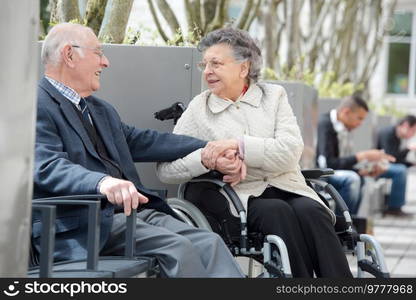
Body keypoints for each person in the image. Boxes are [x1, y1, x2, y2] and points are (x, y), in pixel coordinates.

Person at [32, 23, 245, 278]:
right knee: (179, 249)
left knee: (209, 243)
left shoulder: (99, 110)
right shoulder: (35, 104)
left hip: (130, 215)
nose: (105, 62)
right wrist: (102, 182)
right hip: (81, 225)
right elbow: (46, 165)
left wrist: (209, 148)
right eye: (98, 53)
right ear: (69, 54)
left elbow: (145, 141)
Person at [157, 27, 353, 278]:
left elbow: (290, 151)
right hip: (237, 196)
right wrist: (208, 158)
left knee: (313, 211)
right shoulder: (199, 109)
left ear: (244, 67)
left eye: (216, 63)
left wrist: (237, 145)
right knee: (276, 211)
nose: (207, 71)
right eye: (204, 64)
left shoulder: (274, 97)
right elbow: (166, 170)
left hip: (288, 185)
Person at [316, 95, 410, 217]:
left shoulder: (342, 127)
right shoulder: (326, 124)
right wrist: (363, 156)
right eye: (359, 118)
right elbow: (328, 164)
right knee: (352, 179)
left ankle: (352, 222)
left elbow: (339, 163)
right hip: (320, 175)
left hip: (332, 172)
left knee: (360, 178)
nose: (360, 124)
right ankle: (342, 226)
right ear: (346, 112)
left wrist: (364, 170)